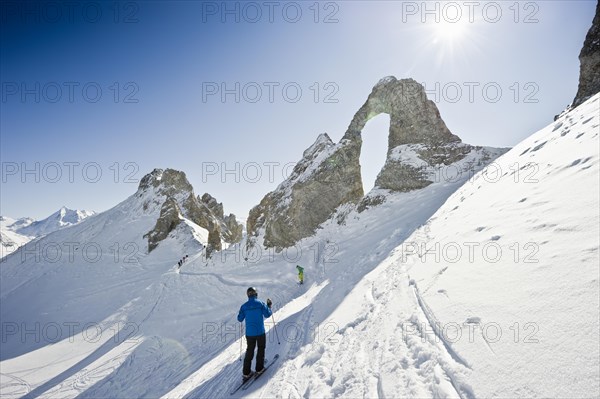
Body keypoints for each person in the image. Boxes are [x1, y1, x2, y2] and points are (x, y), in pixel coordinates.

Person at [237, 287, 272, 380]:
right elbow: (267, 314)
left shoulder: (244, 306)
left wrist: (241, 312)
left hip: (250, 333)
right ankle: (259, 369)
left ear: (248, 295)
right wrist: (269, 306)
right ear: (255, 294)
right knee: (261, 349)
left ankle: (246, 372)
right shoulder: (260, 303)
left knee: (250, 351)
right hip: (260, 331)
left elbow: (240, 318)